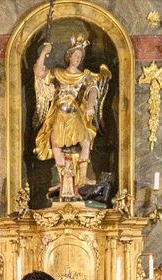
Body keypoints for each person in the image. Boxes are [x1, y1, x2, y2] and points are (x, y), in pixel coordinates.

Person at [33, 36, 111, 187]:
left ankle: (82, 177)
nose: (78, 59)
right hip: (59, 115)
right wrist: (43, 53)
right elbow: (38, 72)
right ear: (69, 56)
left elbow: (93, 90)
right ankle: (63, 180)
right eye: (76, 55)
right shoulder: (57, 73)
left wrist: (89, 106)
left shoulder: (84, 76)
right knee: (55, 143)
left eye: (80, 57)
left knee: (86, 141)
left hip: (75, 115)